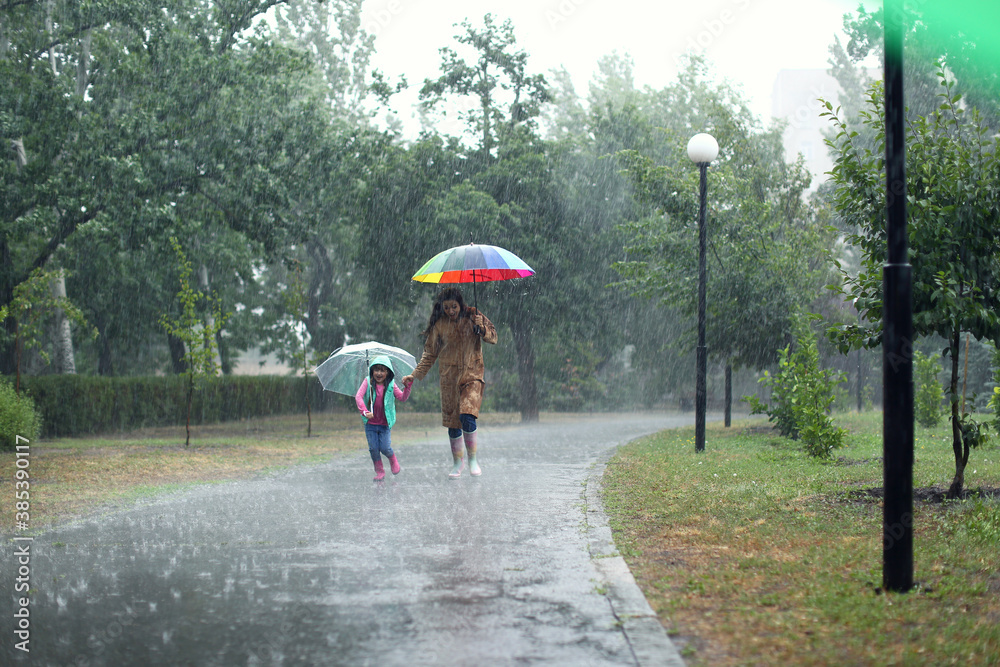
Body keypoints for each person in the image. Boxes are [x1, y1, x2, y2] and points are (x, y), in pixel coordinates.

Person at [402, 287, 497, 478]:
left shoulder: (473, 316)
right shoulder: (439, 325)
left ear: (460, 304)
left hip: (472, 375)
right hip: (449, 378)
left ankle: (472, 460)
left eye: (454, 306)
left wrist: (482, 329)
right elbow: (430, 354)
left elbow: (493, 337)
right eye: (446, 308)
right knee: (453, 423)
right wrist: (414, 374)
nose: (451, 311)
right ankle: (457, 463)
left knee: (467, 415)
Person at [356, 355, 412, 481]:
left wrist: (407, 387)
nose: (379, 373)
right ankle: (380, 471)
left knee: (385, 448)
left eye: (382, 370)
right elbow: (358, 397)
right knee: (374, 449)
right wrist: (364, 411)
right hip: (370, 424)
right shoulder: (367, 382)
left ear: (388, 372)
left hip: (384, 424)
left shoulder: (391, 385)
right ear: (372, 370)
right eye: (376, 370)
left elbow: (402, 398)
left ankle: (393, 459)